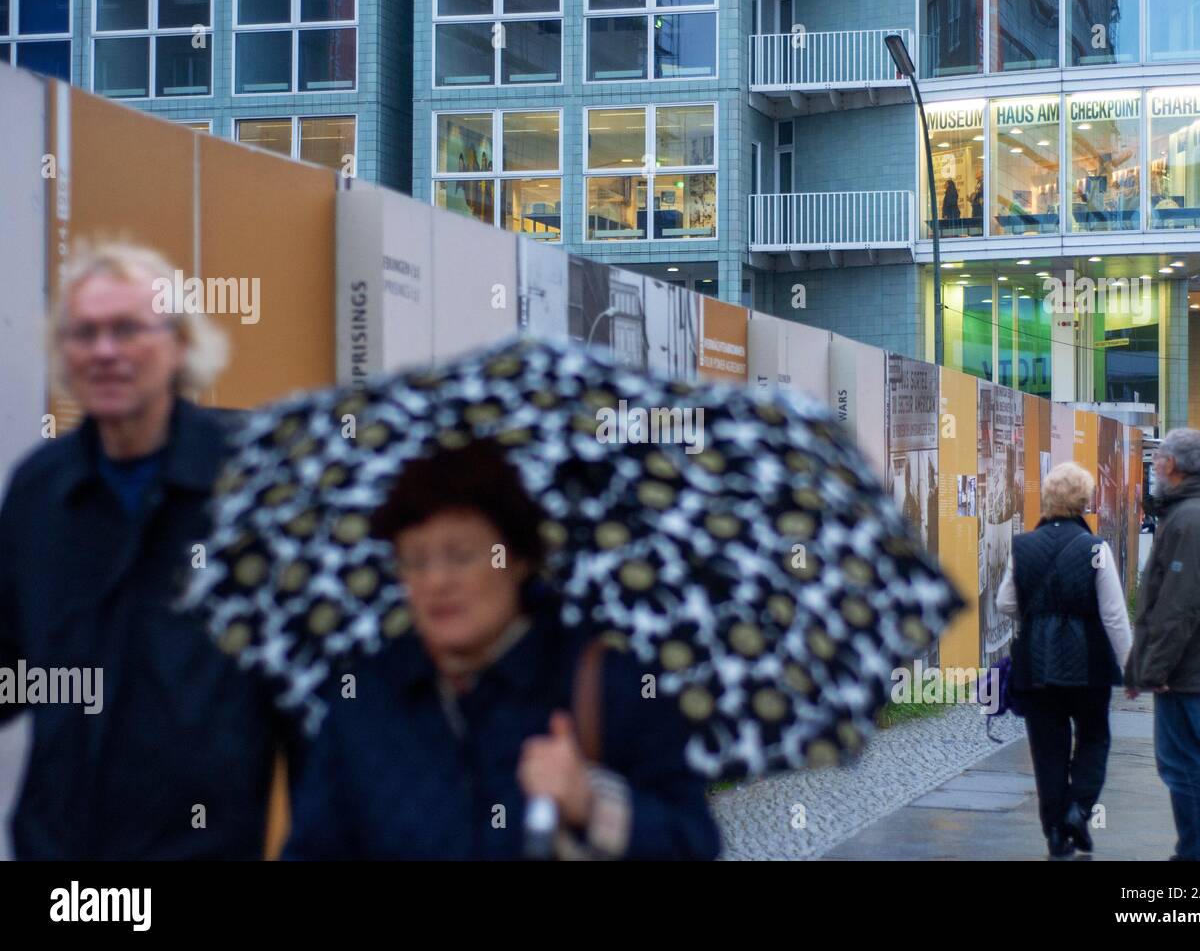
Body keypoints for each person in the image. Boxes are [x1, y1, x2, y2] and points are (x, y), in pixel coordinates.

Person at [283, 440, 721, 860]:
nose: (437, 581)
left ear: (518, 557)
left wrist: (591, 805)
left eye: (461, 556)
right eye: (415, 559)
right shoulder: (364, 699)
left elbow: (693, 842)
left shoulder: (606, 682)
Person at [0, 243, 286, 859]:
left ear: (180, 345)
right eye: (84, 333)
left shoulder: (250, 484)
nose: (104, 352)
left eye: (128, 329)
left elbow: (305, 697)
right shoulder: (40, 490)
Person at [997, 462, 1131, 860]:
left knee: (1047, 749)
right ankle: (1079, 810)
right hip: (1089, 663)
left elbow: (1005, 602)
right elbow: (1114, 615)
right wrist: (1132, 667)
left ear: (1048, 499)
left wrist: (1038, 616)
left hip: (1036, 665)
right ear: (1085, 502)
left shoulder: (1023, 546)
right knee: (1093, 738)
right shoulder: (1096, 549)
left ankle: (1055, 831)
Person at [1126, 429, 1200, 862]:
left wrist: (1156, 669)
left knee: (1183, 765)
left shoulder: (1191, 519)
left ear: (1173, 464)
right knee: (1196, 762)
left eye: (1158, 460)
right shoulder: (1199, 512)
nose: (1154, 467)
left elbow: (1179, 605)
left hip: (1185, 668)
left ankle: (1198, 855)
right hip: (1193, 665)